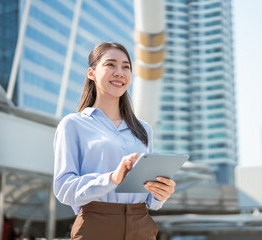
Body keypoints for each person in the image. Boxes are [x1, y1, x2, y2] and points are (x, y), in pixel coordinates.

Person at [53, 42, 176, 240]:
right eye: (110, 65)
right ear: (91, 73)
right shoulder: (73, 124)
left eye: (126, 67)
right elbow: (63, 188)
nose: (120, 72)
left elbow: (150, 198)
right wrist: (111, 179)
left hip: (141, 224)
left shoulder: (143, 129)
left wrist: (160, 192)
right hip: (96, 225)